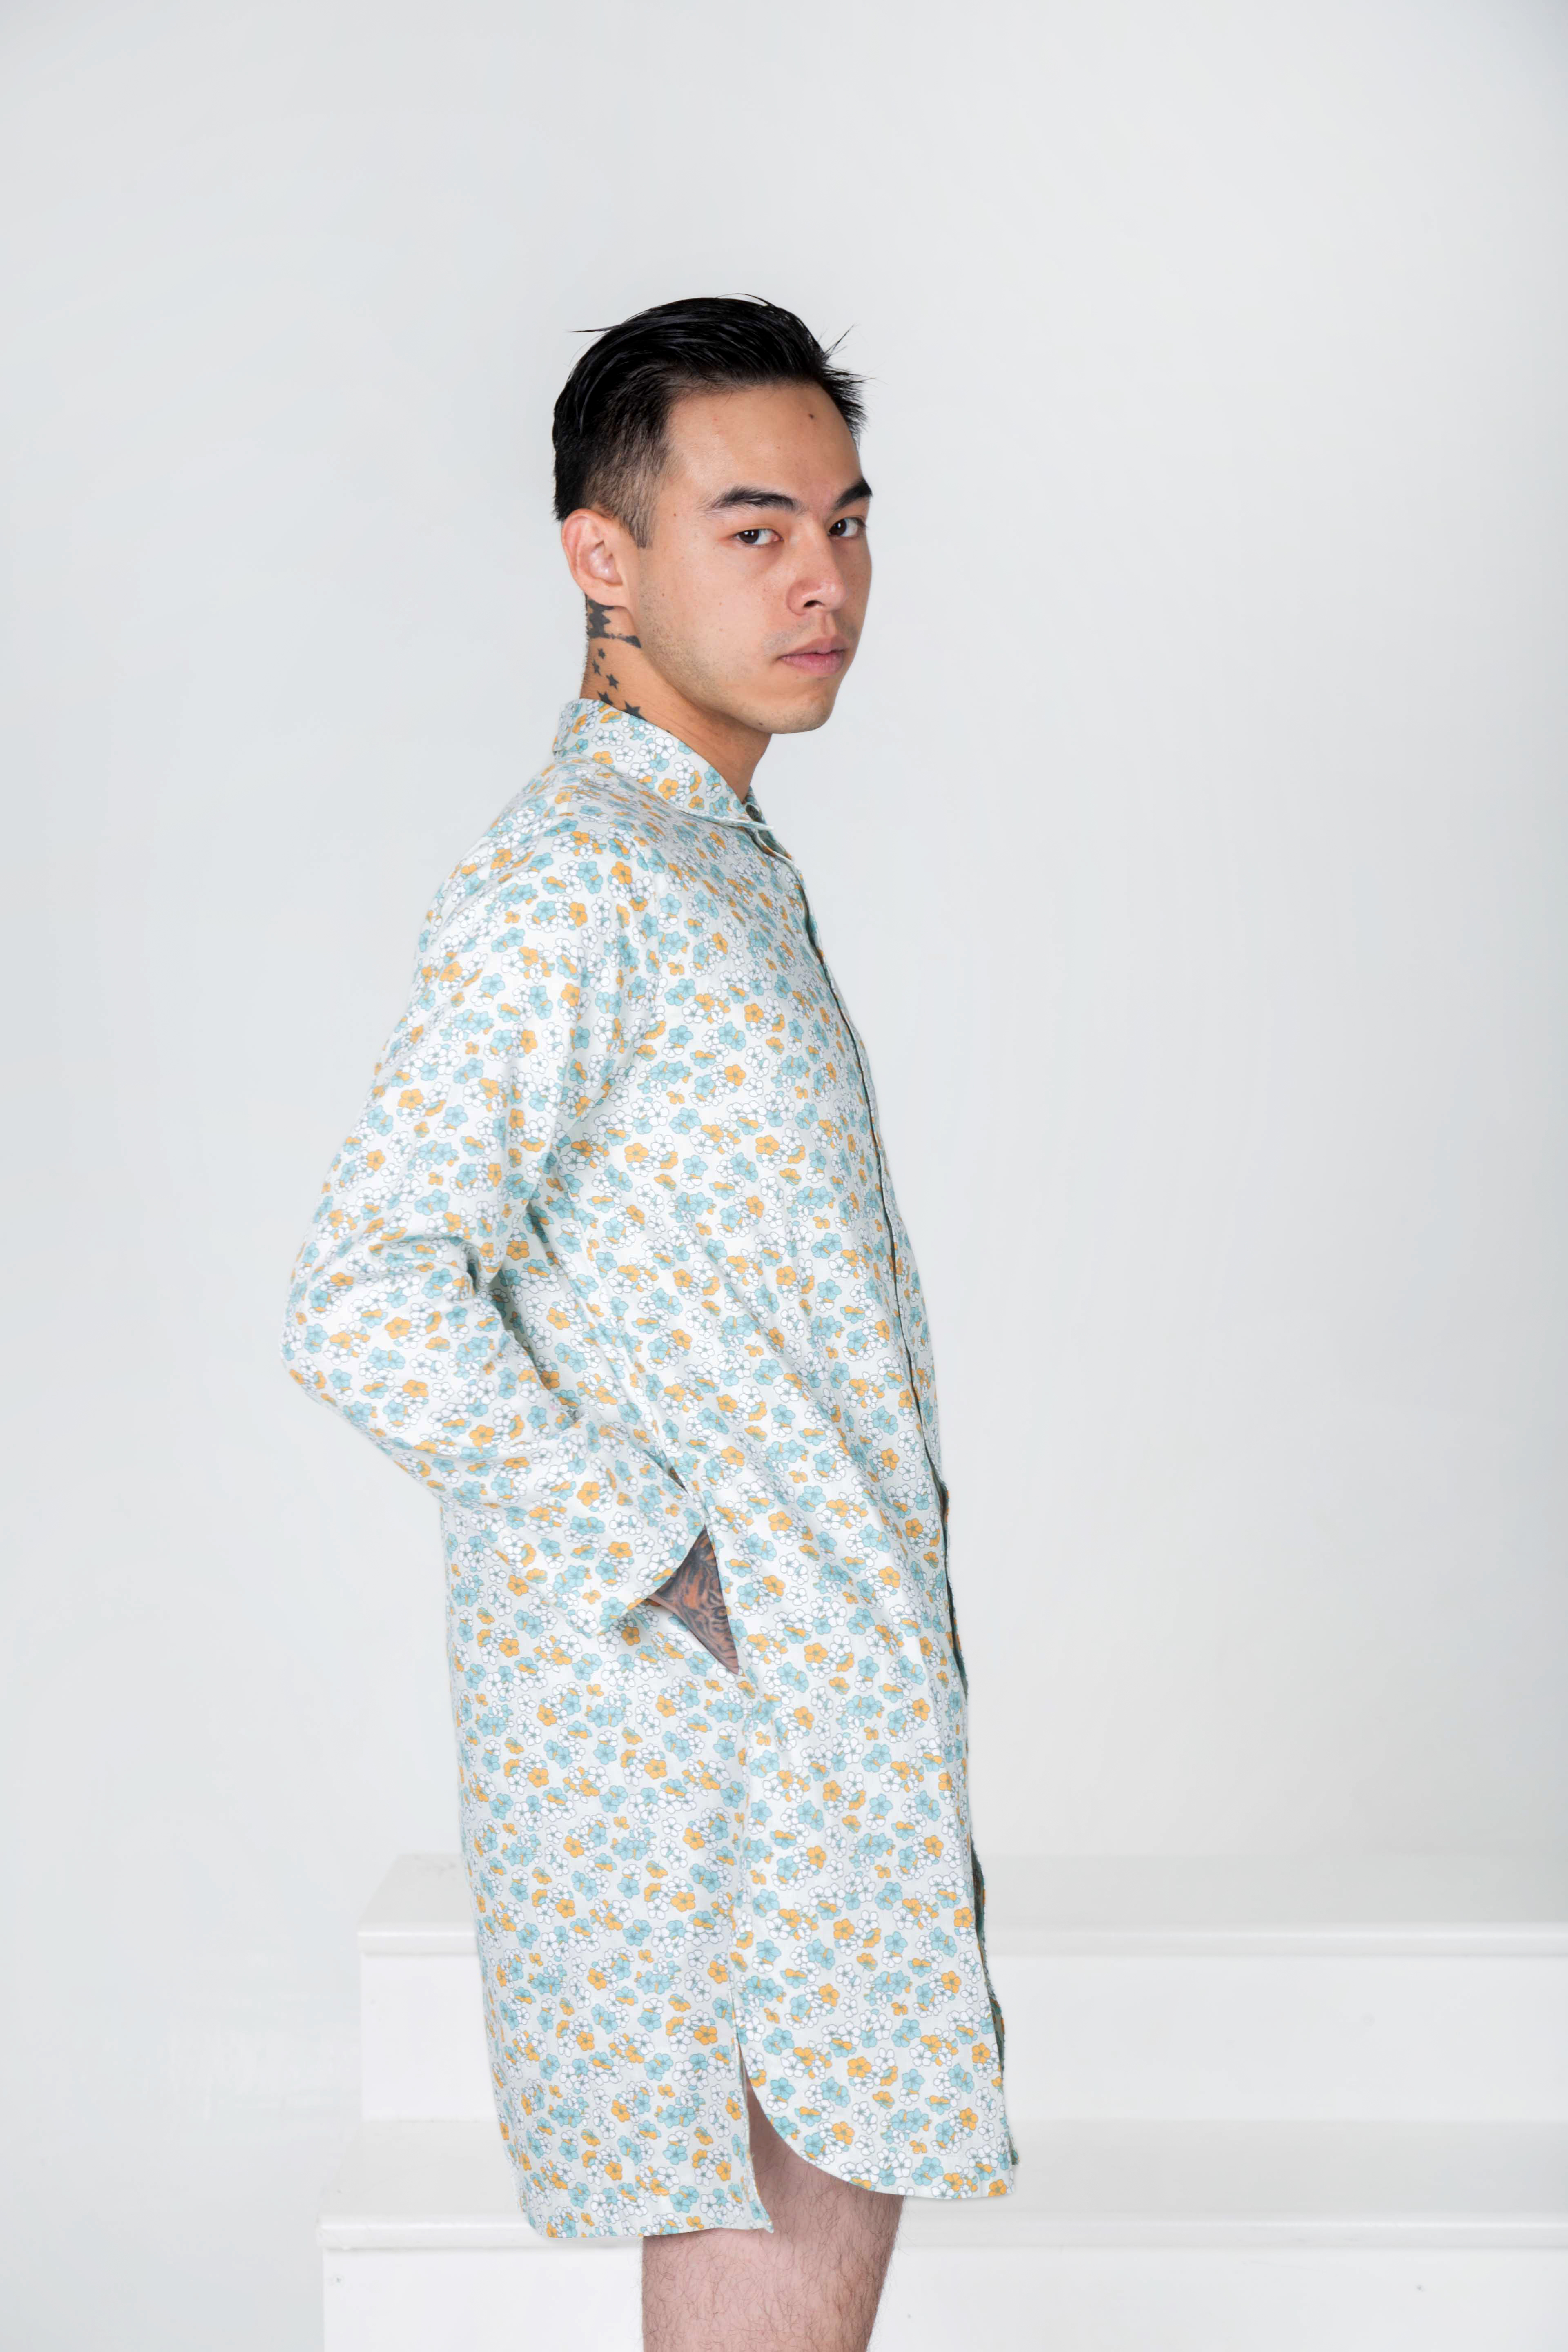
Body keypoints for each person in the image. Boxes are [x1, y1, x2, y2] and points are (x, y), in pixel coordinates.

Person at [282, 294, 1014, 2352]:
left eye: (847, 525)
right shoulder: (578, 878)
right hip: (717, 1737)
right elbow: (363, 1289)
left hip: (822, 1707)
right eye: (755, 529)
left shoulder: (708, 860)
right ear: (603, 557)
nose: (824, 582)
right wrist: (673, 1560)